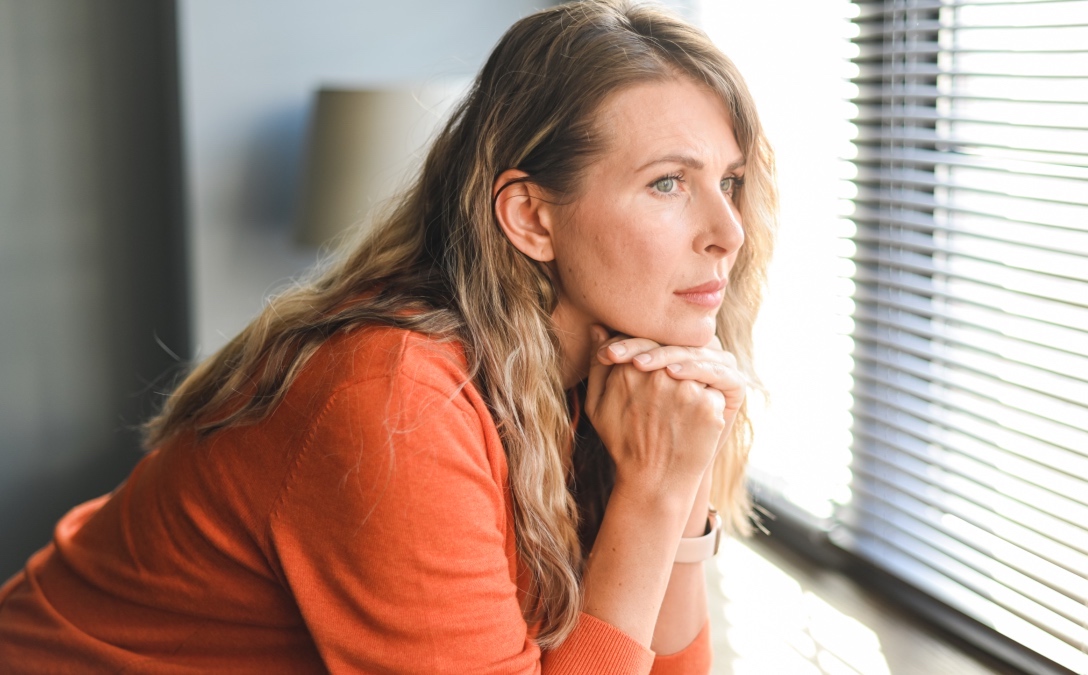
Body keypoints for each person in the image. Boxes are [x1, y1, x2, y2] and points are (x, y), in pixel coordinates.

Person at [0, 0, 776, 672]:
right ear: (532, 218)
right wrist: (652, 493)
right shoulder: (395, 397)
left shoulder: (614, 381)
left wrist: (678, 483)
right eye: (668, 183)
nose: (729, 231)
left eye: (730, 181)